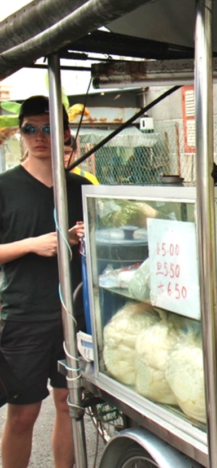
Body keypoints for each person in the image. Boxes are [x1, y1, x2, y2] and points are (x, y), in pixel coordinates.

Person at [0, 95, 90, 468]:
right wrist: (31, 245)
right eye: (31, 129)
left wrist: (86, 236)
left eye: (49, 128)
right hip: (24, 315)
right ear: (20, 134)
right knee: (23, 413)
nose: (40, 136)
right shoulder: (5, 187)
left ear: (66, 136)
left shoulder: (81, 186)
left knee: (68, 404)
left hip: (75, 315)